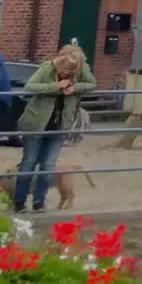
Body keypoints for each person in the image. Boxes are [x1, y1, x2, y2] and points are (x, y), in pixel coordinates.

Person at [12, 44, 93, 212]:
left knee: (48, 165)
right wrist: (56, 87)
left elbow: (91, 84)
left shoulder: (80, 70)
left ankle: (39, 202)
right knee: (29, 162)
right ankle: (19, 201)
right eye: (66, 69)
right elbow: (30, 86)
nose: (67, 73)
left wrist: (74, 88)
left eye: (72, 71)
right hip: (36, 123)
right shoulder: (47, 68)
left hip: (60, 125)